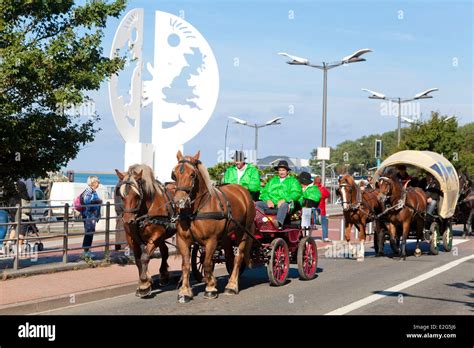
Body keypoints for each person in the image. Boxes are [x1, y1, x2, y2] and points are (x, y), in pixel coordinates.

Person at [256, 160, 302, 229]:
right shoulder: (273, 181)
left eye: (283, 170)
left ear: (287, 171)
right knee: (256, 204)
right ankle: (261, 222)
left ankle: (278, 223)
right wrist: (268, 200)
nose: (281, 172)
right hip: (271, 204)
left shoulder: (293, 181)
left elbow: (296, 193)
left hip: (287, 204)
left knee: (284, 205)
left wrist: (284, 200)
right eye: (280, 170)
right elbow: (264, 192)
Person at [81, 176, 102, 259]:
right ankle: (86, 251)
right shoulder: (89, 190)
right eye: (98, 182)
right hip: (89, 215)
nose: (99, 183)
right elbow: (86, 201)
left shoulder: (93, 191)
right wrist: (97, 201)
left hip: (92, 215)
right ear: (93, 183)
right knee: (89, 232)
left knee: (90, 232)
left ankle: (87, 250)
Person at [314, 175, 330, 242]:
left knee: (310, 223)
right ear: (320, 181)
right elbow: (328, 194)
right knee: (324, 223)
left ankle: (307, 236)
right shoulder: (322, 189)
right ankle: (325, 237)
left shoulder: (312, 188)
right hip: (321, 209)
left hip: (313, 209)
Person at [113, 182, 126, 251]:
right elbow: (120, 200)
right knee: (122, 228)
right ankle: (122, 246)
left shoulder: (119, 185)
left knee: (119, 228)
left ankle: (118, 246)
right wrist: (124, 209)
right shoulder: (120, 186)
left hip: (119, 210)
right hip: (121, 211)